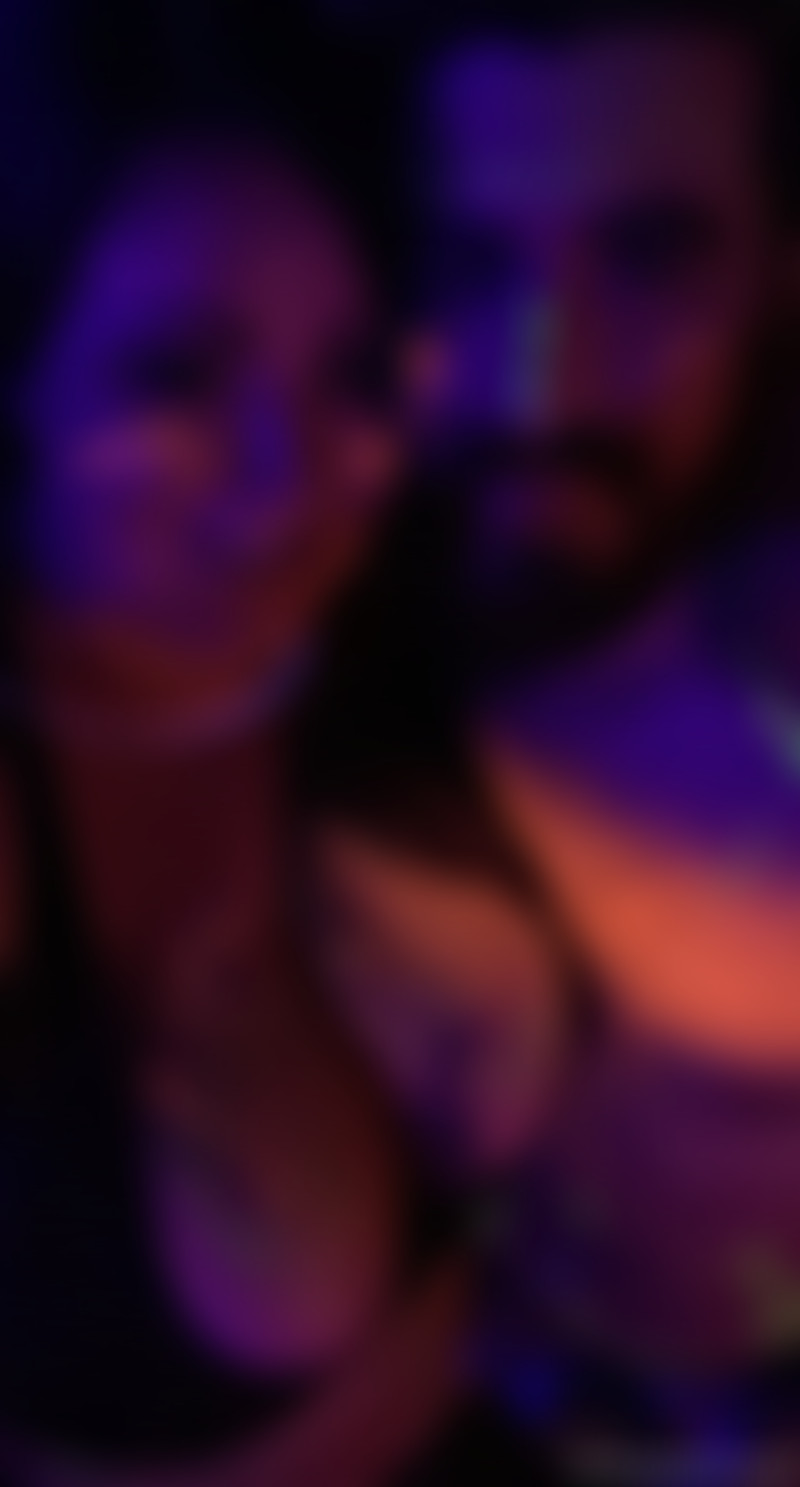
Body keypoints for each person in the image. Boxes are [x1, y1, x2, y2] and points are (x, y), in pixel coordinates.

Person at [303, 0, 800, 1474]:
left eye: (649, 260)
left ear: (781, 272)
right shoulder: (289, 699)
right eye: (471, 267)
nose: (544, 385)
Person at [0, 116, 471, 1487]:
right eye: (176, 373)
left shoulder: (426, 636)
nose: (288, 470)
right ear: (21, 383)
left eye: (353, 375)